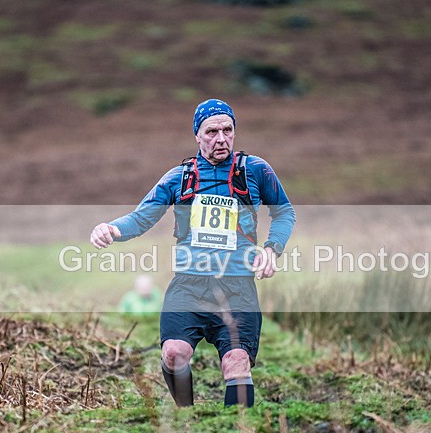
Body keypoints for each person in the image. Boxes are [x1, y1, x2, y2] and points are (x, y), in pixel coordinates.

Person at [91, 98, 296, 408]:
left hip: (237, 285)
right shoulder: (179, 177)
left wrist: (272, 249)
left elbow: (285, 213)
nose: (221, 138)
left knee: (237, 362)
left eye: (228, 130)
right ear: (197, 136)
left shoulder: (254, 170)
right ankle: (187, 418)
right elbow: (141, 217)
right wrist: (111, 229)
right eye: (212, 131)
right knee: (174, 354)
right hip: (189, 284)